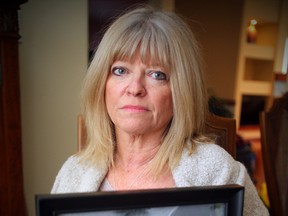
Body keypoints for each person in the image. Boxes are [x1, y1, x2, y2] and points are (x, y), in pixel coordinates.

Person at [51, 5, 269, 216]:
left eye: (157, 74)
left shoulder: (218, 172)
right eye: (120, 70)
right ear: (101, 84)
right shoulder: (74, 172)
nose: (135, 88)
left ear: (181, 92)